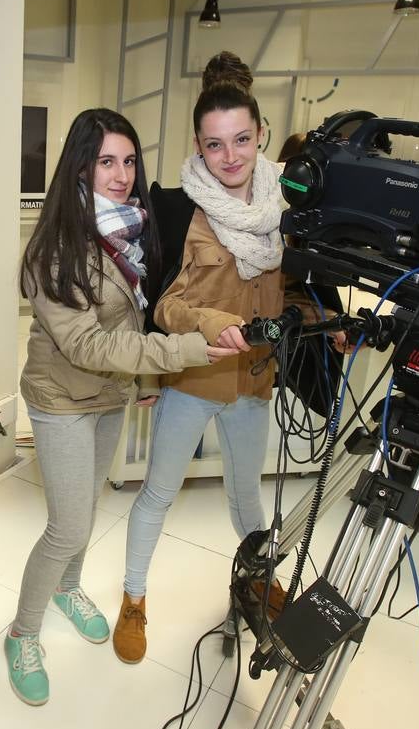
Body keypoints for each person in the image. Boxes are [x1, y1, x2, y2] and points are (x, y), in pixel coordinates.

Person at [5, 108, 236, 705]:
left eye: (129, 161)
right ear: (80, 166)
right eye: (106, 161)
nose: (121, 174)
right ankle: (22, 633)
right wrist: (181, 351)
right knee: (68, 523)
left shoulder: (129, 230)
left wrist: (138, 383)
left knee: (88, 502)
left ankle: (70, 588)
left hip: (108, 394)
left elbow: (129, 316)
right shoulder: (54, 249)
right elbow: (85, 342)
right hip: (62, 399)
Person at [114, 52, 331, 664]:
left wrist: (319, 322)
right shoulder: (181, 208)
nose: (230, 156)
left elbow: (295, 289)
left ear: (261, 134)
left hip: (255, 384)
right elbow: (162, 304)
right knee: (157, 493)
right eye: (215, 145)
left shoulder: (286, 209)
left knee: (247, 499)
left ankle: (255, 582)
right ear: (198, 147)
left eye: (241, 140)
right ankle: (133, 598)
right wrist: (211, 323)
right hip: (193, 380)